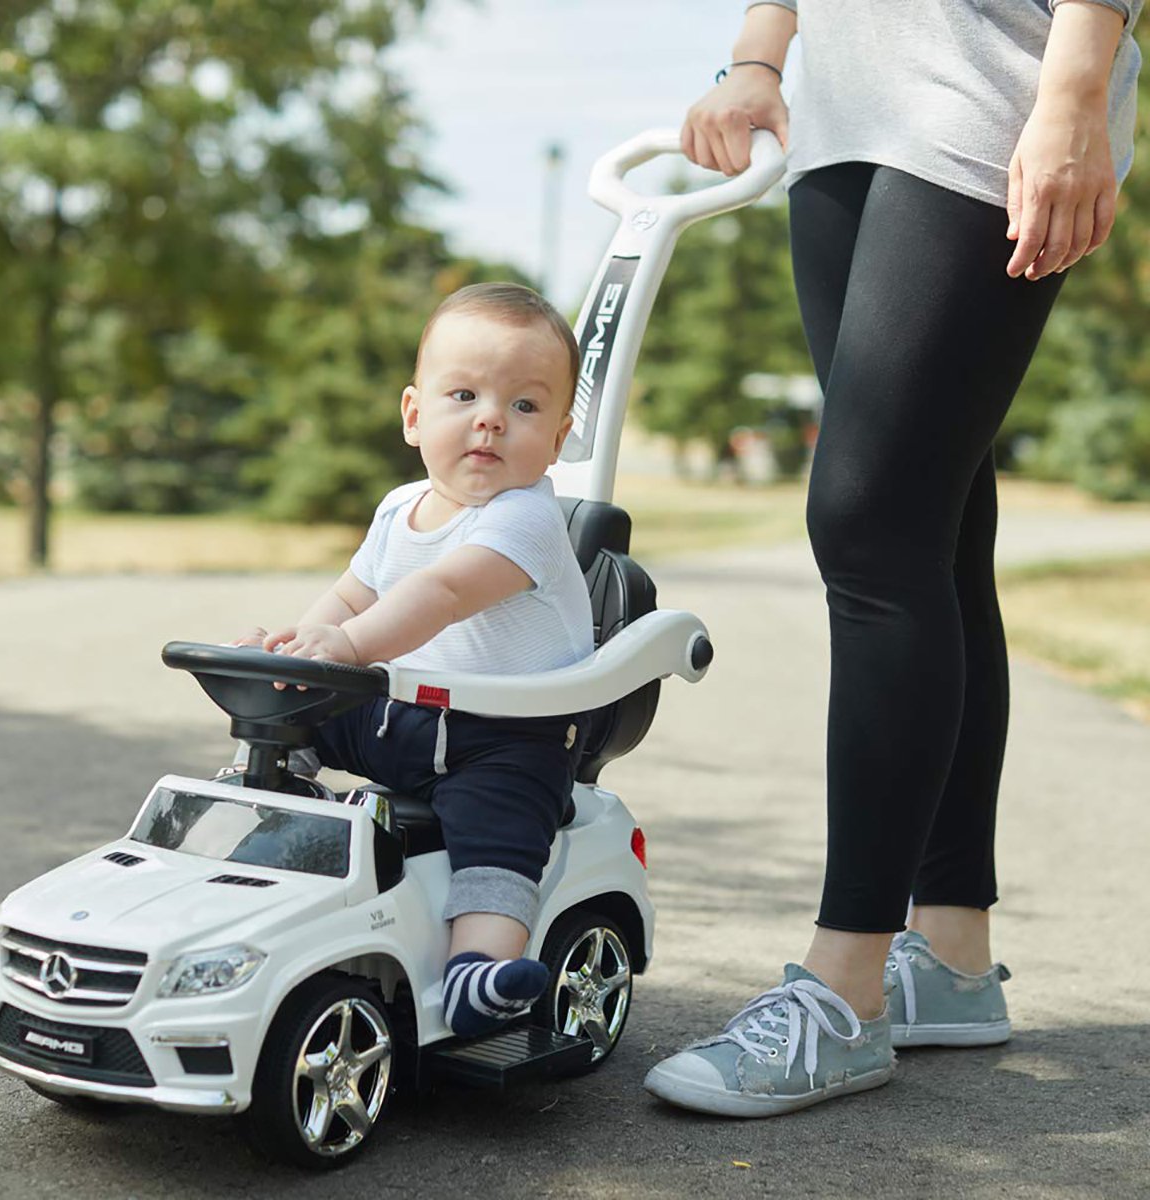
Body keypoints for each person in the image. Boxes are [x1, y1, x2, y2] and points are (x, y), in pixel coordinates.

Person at [644, 0, 1142, 1117]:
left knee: (867, 522)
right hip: (845, 111)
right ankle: (952, 959)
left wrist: (1073, 88)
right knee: (936, 529)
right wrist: (757, 59)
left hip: (991, 89)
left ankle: (845, 993)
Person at [234, 282, 595, 1038]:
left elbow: (443, 592)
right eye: (464, 394)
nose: (492, 418)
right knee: (303, 714)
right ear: (413, 414)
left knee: (498, 837)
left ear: (558, 440)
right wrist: (306, 655)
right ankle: (260, 800)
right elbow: (349, 595)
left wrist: (352, 647)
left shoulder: (526, 517)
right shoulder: (398, 508)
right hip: (405, 710)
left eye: (525, 408)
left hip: (502, 734)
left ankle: (476, 973)